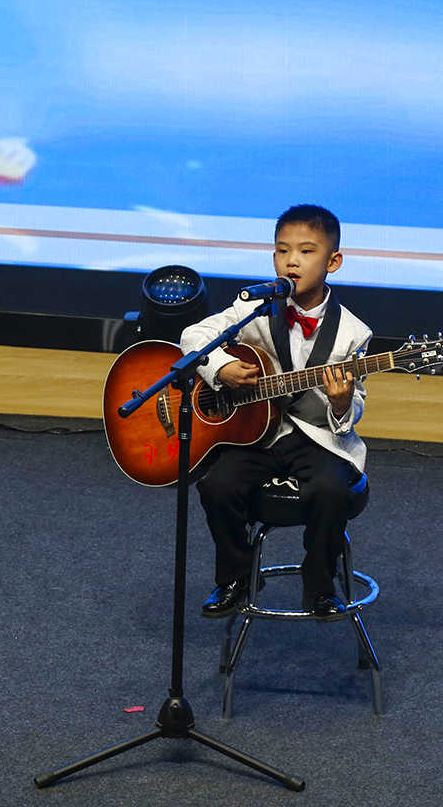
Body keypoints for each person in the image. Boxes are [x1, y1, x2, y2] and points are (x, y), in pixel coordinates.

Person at [179, 204, 371, 622]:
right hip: (256, 433)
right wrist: (220, 368)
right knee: (216, 486)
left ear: (333, 262)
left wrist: (341, 403)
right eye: (283, 251)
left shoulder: (354, 333)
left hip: (315, 437)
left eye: (306, 251)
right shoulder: (255, 308)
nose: (292, 261)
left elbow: (353, 408)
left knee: (331, 490)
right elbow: (194, 335)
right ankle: (236, 576)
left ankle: (320, 586)